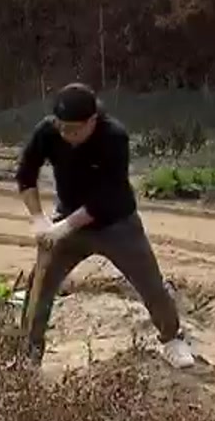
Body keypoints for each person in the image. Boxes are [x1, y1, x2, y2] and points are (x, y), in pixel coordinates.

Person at [16, 83, 196, 369]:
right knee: (40, 286)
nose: (66, 135)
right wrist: (39, 219)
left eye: (74, 130)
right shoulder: (48, 132)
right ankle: (28, 354)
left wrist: (63, 229)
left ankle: (172, 338)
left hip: (117, 225)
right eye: (62, 127)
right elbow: (26, 174)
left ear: (92, 121)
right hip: (67, 218)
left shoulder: (114, 137)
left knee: (150, 284)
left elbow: (105, 198)